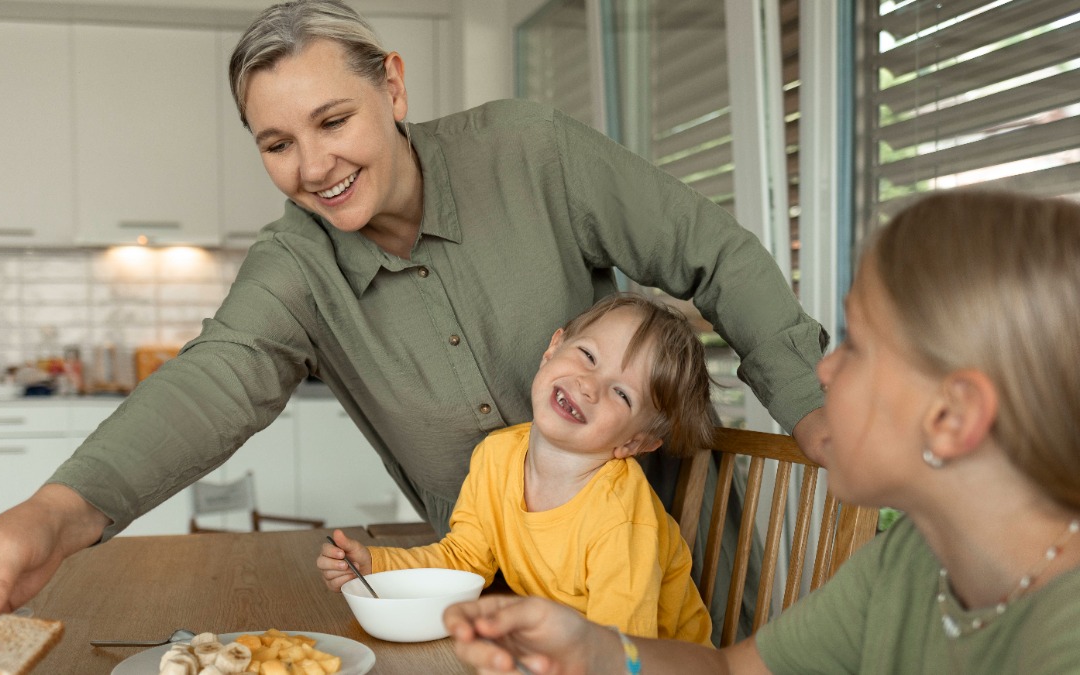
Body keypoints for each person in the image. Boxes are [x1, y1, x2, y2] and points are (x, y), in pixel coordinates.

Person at [0, 0, 830, 632]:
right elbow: (209, 383)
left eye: (332, 120)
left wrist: (813, 406)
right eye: (277, 142)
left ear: (392, 86)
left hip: (663, 600)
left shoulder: (529, 151)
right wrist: (53, 517)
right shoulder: (298, 265)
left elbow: (712, 251)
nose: (313, 166)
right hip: (470, 613)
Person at [443, 189, 1080, 674]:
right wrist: (599, 649)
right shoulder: (912, 560)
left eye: (857, 346)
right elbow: (727, 668)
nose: (825, 369)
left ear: (952, 419)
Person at [319, 294, 715, 643]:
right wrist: (377, 566)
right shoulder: (496, 457)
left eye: (622, 393)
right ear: (553, 349)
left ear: (634, 443)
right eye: (589, 356)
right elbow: (464, 559)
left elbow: (622, 648)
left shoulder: (620, 519)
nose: (589, 385)